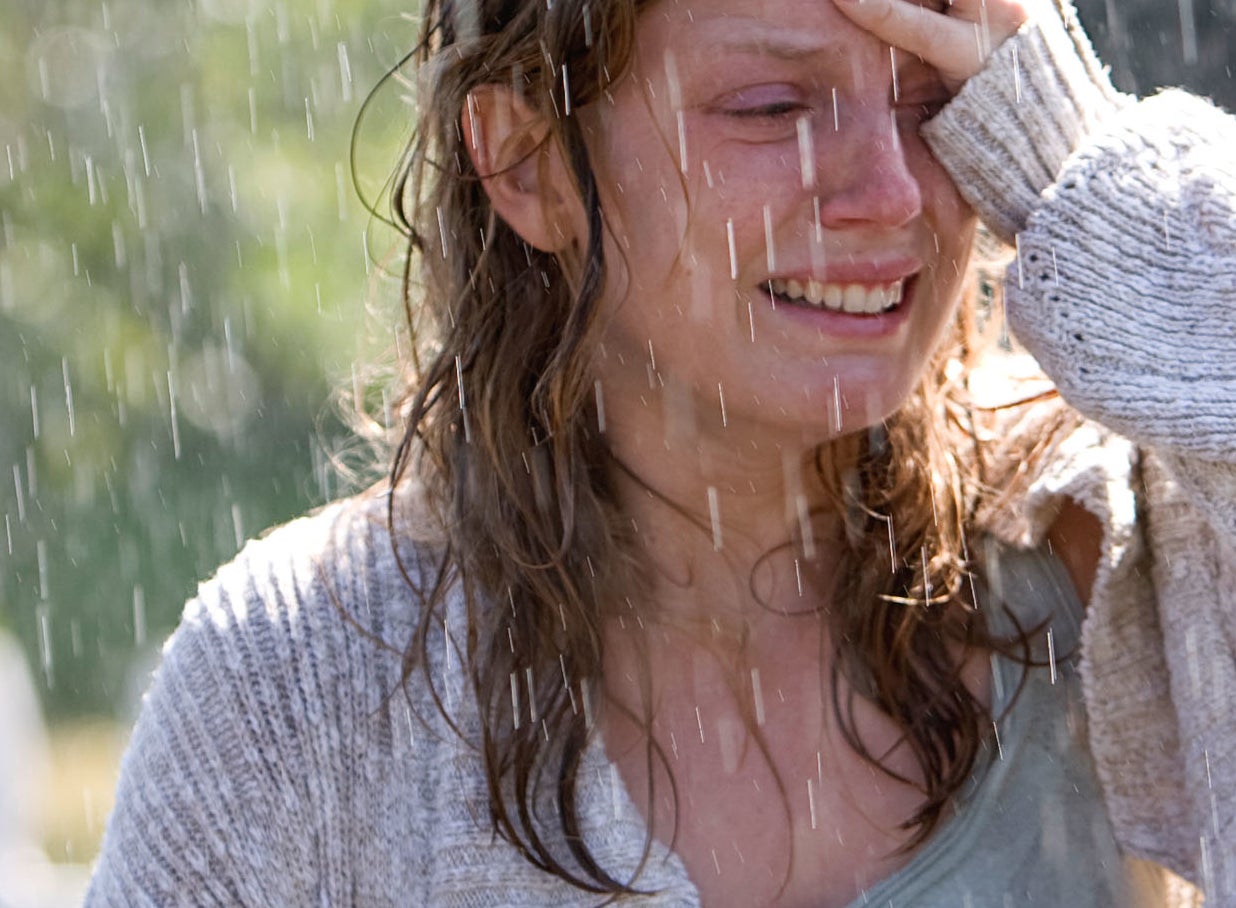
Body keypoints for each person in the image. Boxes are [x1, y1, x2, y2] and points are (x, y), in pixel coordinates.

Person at [84, 0, 1235, 903]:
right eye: (774, 106)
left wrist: (1092, 175)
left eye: (941, 102)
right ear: (527, 161)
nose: (893, 193)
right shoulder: (300, 694)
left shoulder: (1122, 544)